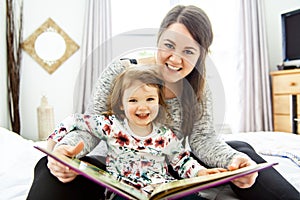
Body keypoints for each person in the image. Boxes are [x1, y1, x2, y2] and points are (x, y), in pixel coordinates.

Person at [27, 4, 300, 200]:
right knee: (47, 168)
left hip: (168, 170)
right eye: (169, 45)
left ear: (201, 55)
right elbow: (90, 124)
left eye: (189, 51)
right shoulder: (120, 72)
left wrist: (233, 160)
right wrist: (66, 151)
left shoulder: (198, 87)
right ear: (158, 39)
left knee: (243, 152)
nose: (175, 58)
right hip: (116, 169)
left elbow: (203, 141)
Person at [46, 64, 226, 199]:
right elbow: (74, 121)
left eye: (149, 99)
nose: (142, 107)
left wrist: (200, 173)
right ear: (121, 105)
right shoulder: (111, 126)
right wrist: (53, 144)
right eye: (133, 100)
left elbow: (182, 160)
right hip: (124, 191)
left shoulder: (164, 135)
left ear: (158, 102)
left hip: (162, 189)